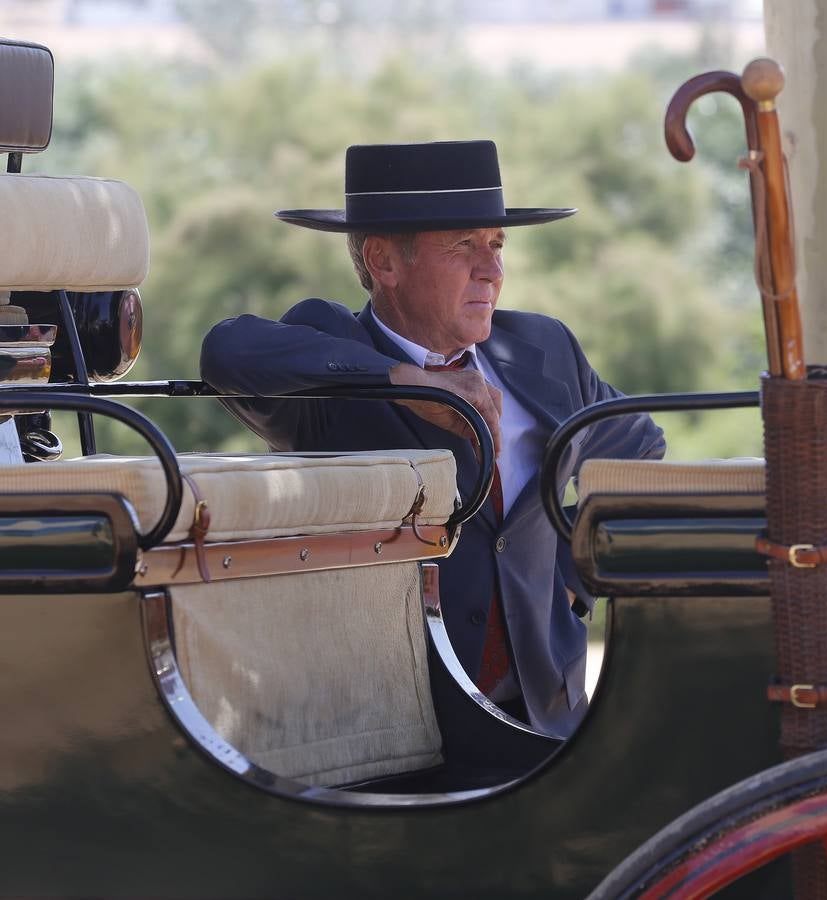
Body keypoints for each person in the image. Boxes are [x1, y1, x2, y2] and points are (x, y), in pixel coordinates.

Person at [200, 140, 664, 765]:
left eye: (497, 245)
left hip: (548, 716)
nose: (493, 271)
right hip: (393, 731)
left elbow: (637, 443)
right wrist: (409, 383)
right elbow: (227, 351)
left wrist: (571, 578)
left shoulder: (542, 346)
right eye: (464, 246)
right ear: (384, 261)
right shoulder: (332, 352)